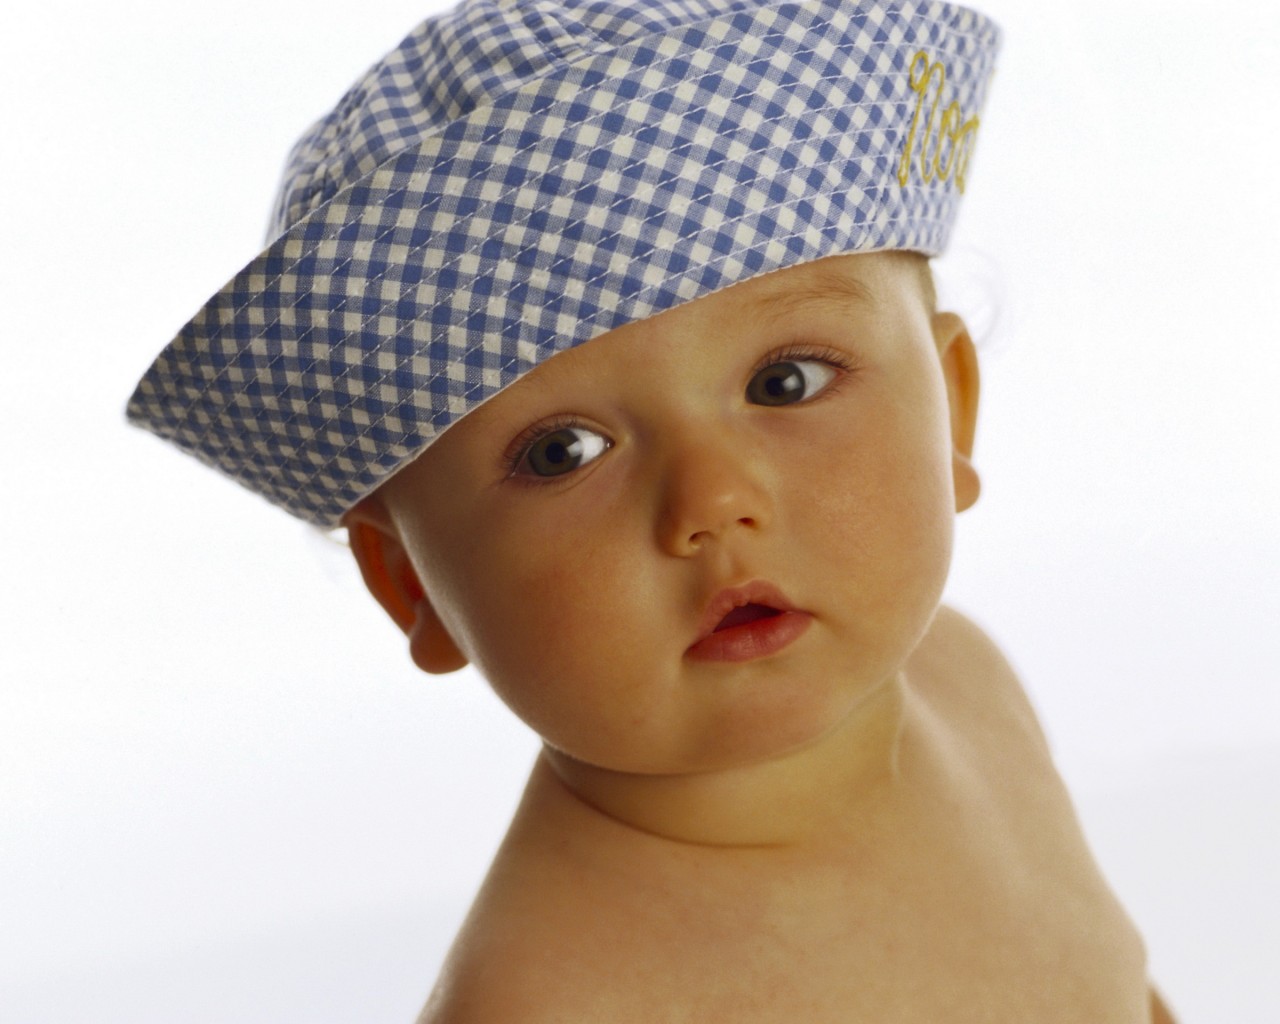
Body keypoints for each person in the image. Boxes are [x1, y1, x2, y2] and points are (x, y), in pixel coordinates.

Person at [128, 0, 1177, 1019]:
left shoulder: (969, 678)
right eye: (561, 452)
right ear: (412, 585)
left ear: (950, 404)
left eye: (785, 382)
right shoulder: (554, 1003)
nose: (711, 502)